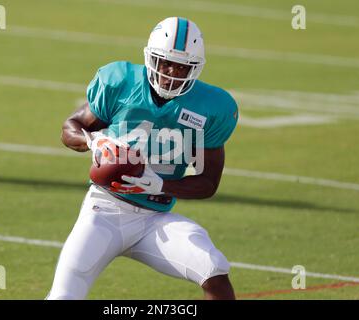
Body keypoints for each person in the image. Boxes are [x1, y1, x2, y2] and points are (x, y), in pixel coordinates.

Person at [47, 17, 239, 300]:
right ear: (151, 58)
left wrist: (160, 185)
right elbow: (70, 128)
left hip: (156, 218)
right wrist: (94, 140)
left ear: (195, 68)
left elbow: (208, 183)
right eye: (166, 63)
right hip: (104, 211)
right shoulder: (120, 82)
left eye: (182, 66)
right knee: (63, 295)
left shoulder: (212, 107)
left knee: (213, 268)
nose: (172, 73)